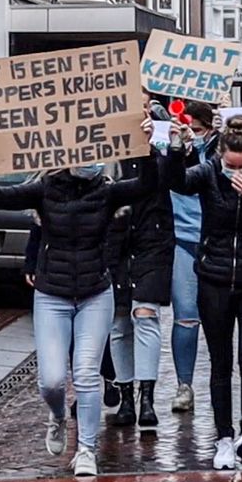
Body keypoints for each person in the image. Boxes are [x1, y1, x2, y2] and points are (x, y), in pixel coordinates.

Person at [0, 119, 157, 477]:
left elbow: (147, 185)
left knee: (86, 374)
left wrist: (147, 146)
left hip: (94, 294)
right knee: (51, 380)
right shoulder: (45, 188)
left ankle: (86, 449)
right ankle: (56, 416)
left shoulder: (108, 190)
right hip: (52, 294)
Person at [167, 115, 242, 470]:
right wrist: (176, 149)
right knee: (220, 361)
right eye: (230, 165)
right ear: (219, 155)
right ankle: (223, 437)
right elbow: (175, 181)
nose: (237, 171)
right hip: (214, 275)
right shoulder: (207, 174)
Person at [105, 99, 176, 428]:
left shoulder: (160, 134)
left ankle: (147, 398)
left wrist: (159, 143)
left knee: (145, 315)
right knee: (119, 321)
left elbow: (167, 177)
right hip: (116, 242)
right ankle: (126, 398)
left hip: (152, 239)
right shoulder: (106, 141)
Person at [24, 213, 120, 417]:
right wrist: (32, 261)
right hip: (60, 280)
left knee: (95, 343)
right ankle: (68, 406)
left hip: (96, 275)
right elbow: (38, 225)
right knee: (70, 348)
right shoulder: (50, 188)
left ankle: (107, 379)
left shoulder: (103, 190)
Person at [166, 101, 222, 413]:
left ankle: (220, 381)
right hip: (182, 240)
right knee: (186, 315)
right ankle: (183, 384)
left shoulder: (219, 151)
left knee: (218, 317)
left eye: (198, 131)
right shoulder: (170, 149)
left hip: (215, 240)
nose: (192, 135)